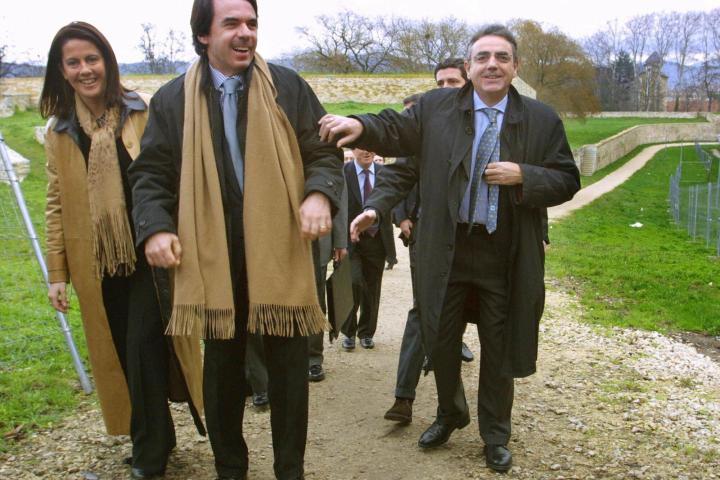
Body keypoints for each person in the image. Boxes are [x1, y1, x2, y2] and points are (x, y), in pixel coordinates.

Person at [319, 24, 580, 472]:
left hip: (503, 252)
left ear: (515, 67)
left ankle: (495, 434)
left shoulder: (541, 119)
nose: (492, 65)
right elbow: (395, 135)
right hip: (446, 247)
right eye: (483, 57)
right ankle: (450, 412)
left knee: (497, 348)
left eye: (502, 57)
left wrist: (525, 175)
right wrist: (362, 132)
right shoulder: (435, 109)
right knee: (439, 337)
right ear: (469, 66)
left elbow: (567, 178)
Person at [128, 1, 343, 479]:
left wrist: (318, 194)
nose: (246, 32)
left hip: (280, 245)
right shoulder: (172, 99)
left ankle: (290, 470)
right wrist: (156, 226)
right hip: (213, 251)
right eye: (232, 24)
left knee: (288, 366)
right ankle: (230, 469)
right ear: (204, 34)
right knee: (223, 366)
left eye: (251, 23)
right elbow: (150, 174)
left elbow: (323, 151)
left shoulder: (287, 86)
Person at [41, 21, 203, 480]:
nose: (85, 69)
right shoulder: (59, 130)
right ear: (62, 71)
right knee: (119, 351)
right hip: (98, 264)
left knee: (142, 346)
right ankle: (157, 435)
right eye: (74, 62)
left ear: (108, 62)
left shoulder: (141, 112)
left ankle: (149, 453)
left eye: (92, 59)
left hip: (150, 257)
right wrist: (58, 273)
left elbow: (174, 175)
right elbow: (55, 204)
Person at [386, 62, 475, 426]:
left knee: (458, 311)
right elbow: (402, 174)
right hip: (427, 234)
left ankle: (458, 404)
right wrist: (402, 216)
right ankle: (404, 397)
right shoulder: (425, 123)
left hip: (473, 238)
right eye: (440, 82)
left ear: (467, 82)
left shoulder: (486, 122)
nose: (445, 87)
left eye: (453, 81)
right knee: (423, 310)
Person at [340, 148, 395, 351]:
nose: (368, 151)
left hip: (376, 240)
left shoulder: (384, 173)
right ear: (353, 149)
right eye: (363, 146)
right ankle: (349, 332)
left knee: (372, 289)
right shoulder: (343, 173)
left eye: (371, 145)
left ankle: (366, 333)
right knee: (352, 283)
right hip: (350, 240)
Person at [308, 181, 348, 382]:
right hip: (279, 241)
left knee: (316, 301)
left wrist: (340, 240)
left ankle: (313, 358)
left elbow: (338, 192)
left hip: (318, 239)